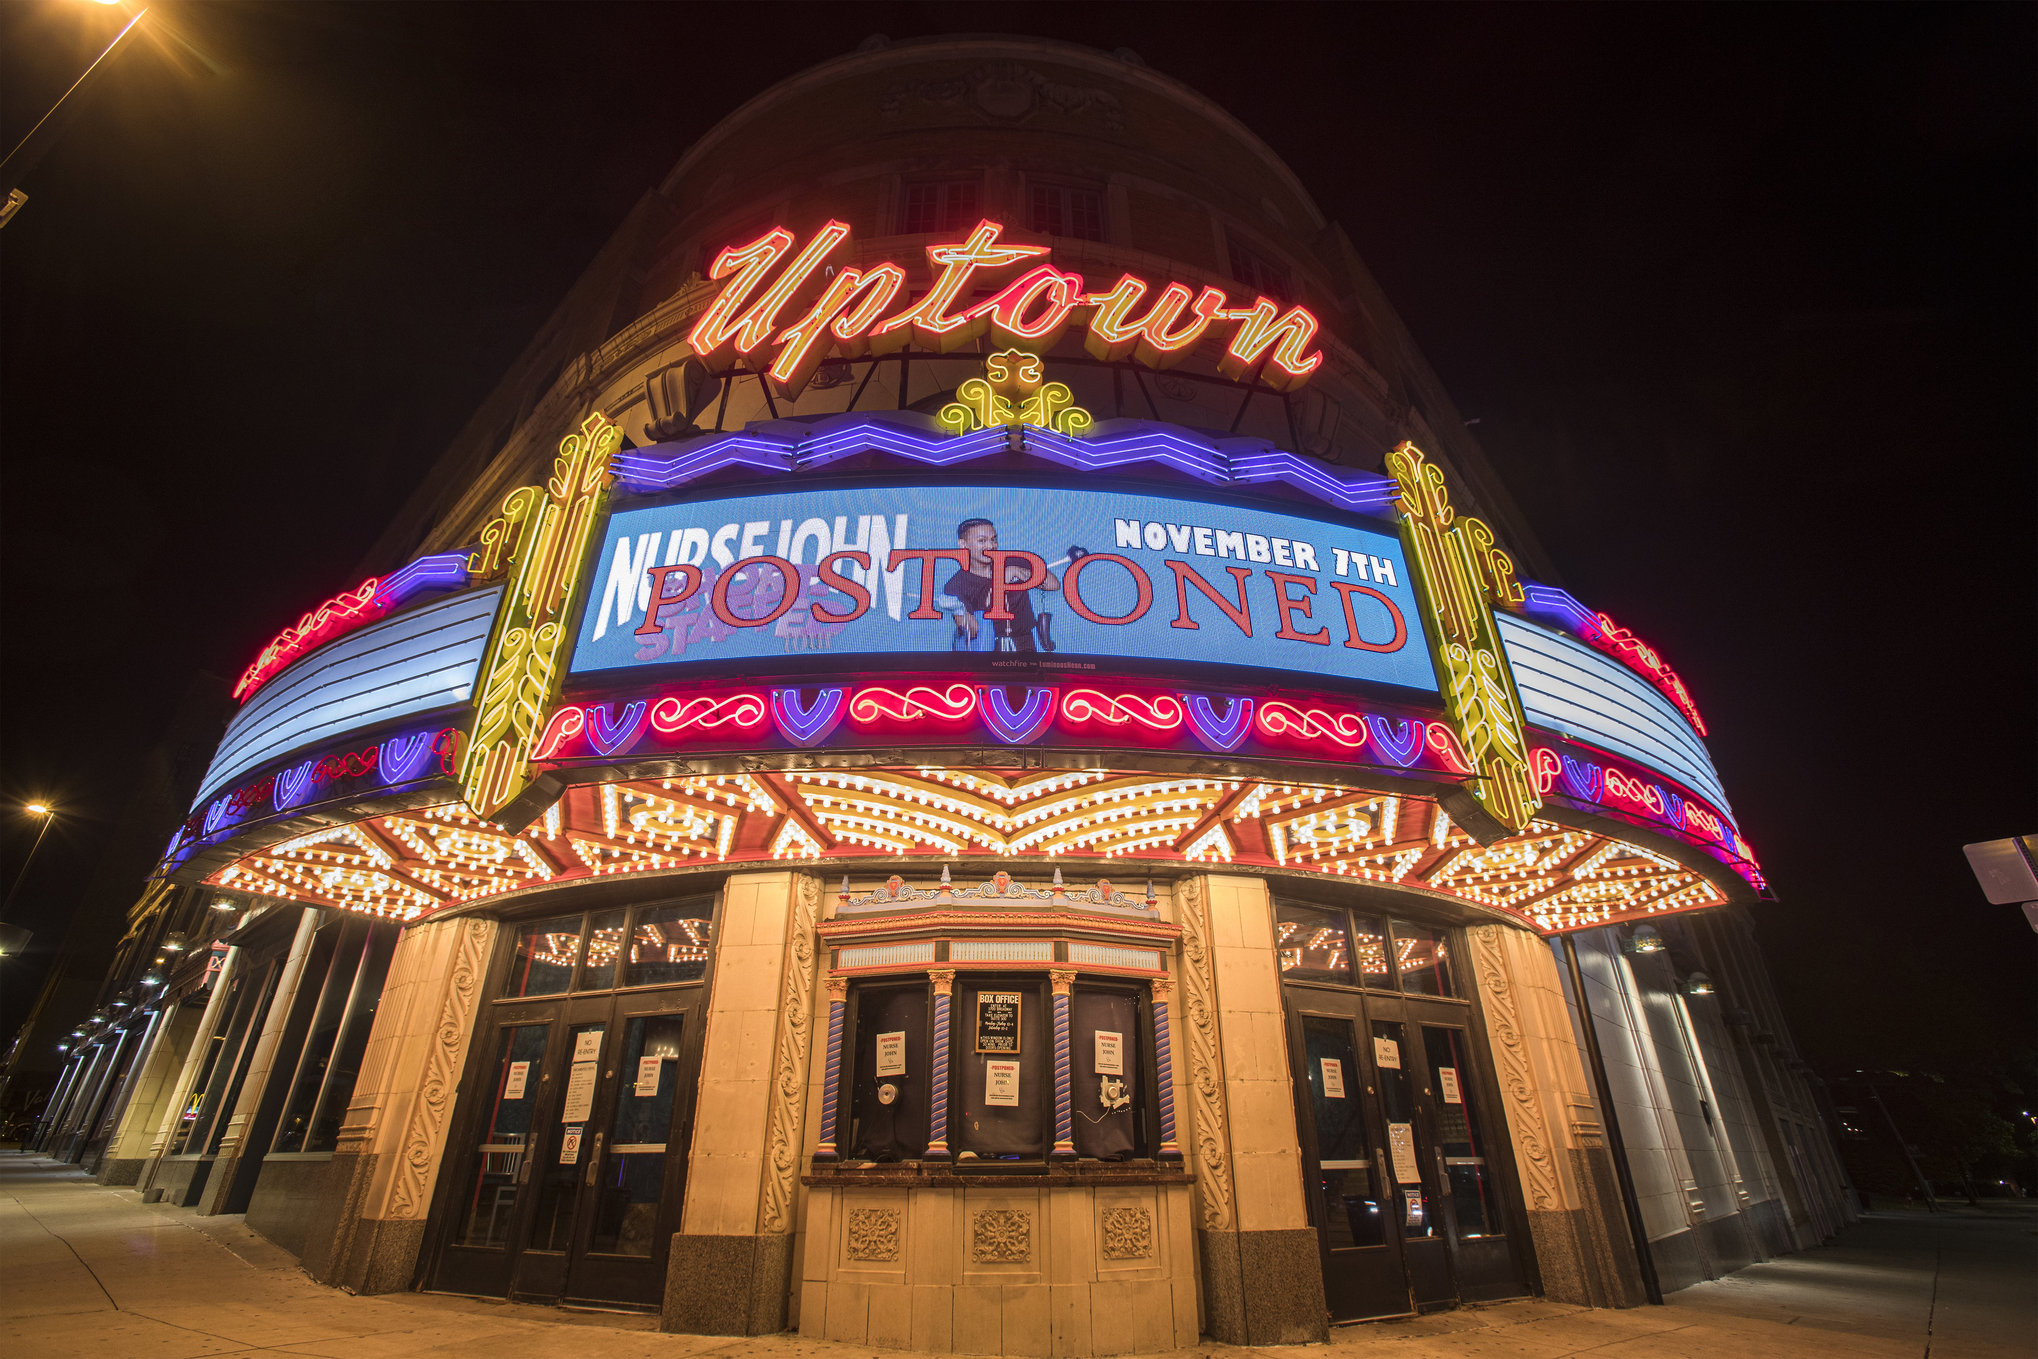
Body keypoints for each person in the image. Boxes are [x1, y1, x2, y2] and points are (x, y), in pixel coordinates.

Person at [943, 517, 1060, 652]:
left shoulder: (1014, 561)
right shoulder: (955, 585)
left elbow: (1053, 584)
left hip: (1024, 644)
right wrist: (962, 617)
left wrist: (1017, 571)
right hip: (987, 649)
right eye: (982, 541)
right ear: (963, 544)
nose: (991, 546)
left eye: (993, 539)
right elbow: (971, 632)